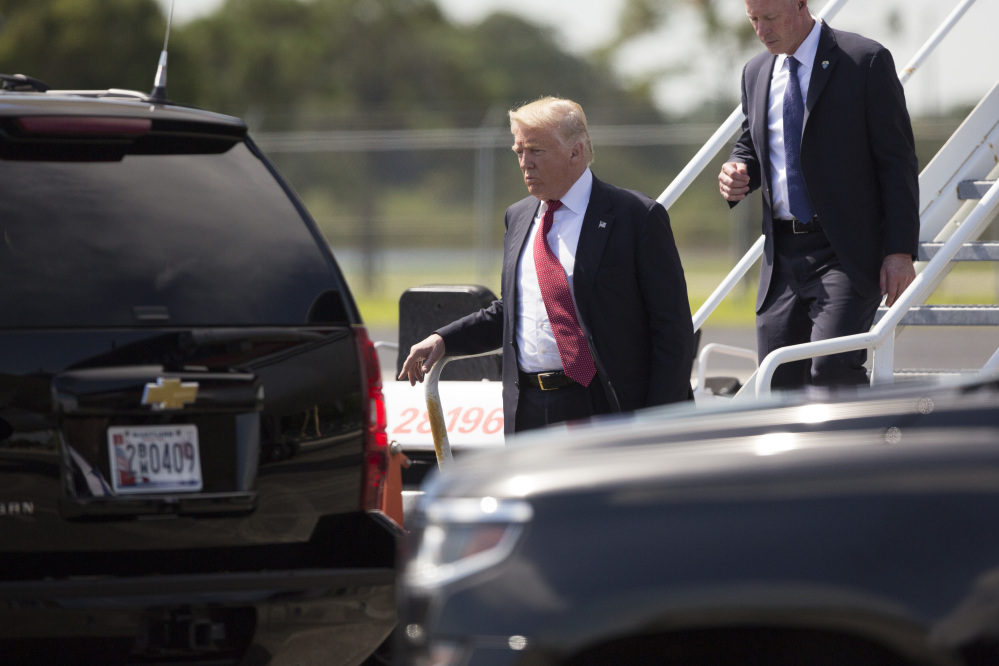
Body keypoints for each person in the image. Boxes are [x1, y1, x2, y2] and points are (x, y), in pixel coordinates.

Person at [400, 96, 694, 434]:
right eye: (519, 152)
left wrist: (660, 422)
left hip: (606, 407)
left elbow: (672, 331)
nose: (526, 163)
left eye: (537, 151)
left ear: (576, 151)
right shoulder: (519, 216)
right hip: (527, 410)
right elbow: (513, 311)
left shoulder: (636, 217)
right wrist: (443, 339)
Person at [718, 0, 919, 390]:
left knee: (831, 371)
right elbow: (752, 143)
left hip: (843, 252)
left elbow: (897, 163)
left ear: (800, 5)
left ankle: (858, 452)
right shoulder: (755, 72)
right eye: (753, 20)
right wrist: (737, 169)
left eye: (770, 18)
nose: (762, 30)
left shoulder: (864, 60)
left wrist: (900, 251)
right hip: (782, 258)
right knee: (778, 383)